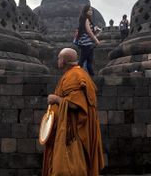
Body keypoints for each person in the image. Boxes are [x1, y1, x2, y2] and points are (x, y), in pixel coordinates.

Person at [42, 48, 105, 176]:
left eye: (59, 58)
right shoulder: (73, 74)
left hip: (73, 132)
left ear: (64, 61)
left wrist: (56, 99)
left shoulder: (75, 75)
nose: (58, 60)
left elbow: (76, 104)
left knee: (69, 168)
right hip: (68, 128)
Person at [76, 4, 100, 76]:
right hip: (86, 44)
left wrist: (96, 31)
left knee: (89, 61)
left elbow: (89, 31)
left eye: (91, 10)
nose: (91, 11)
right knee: (82, 61)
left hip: (88, 43)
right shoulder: (85, 19)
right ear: (85, 11)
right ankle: (76, 75)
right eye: (89, 10)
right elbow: (89, 31)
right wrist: (96, 40)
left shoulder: (87, 19)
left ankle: (92, 77)